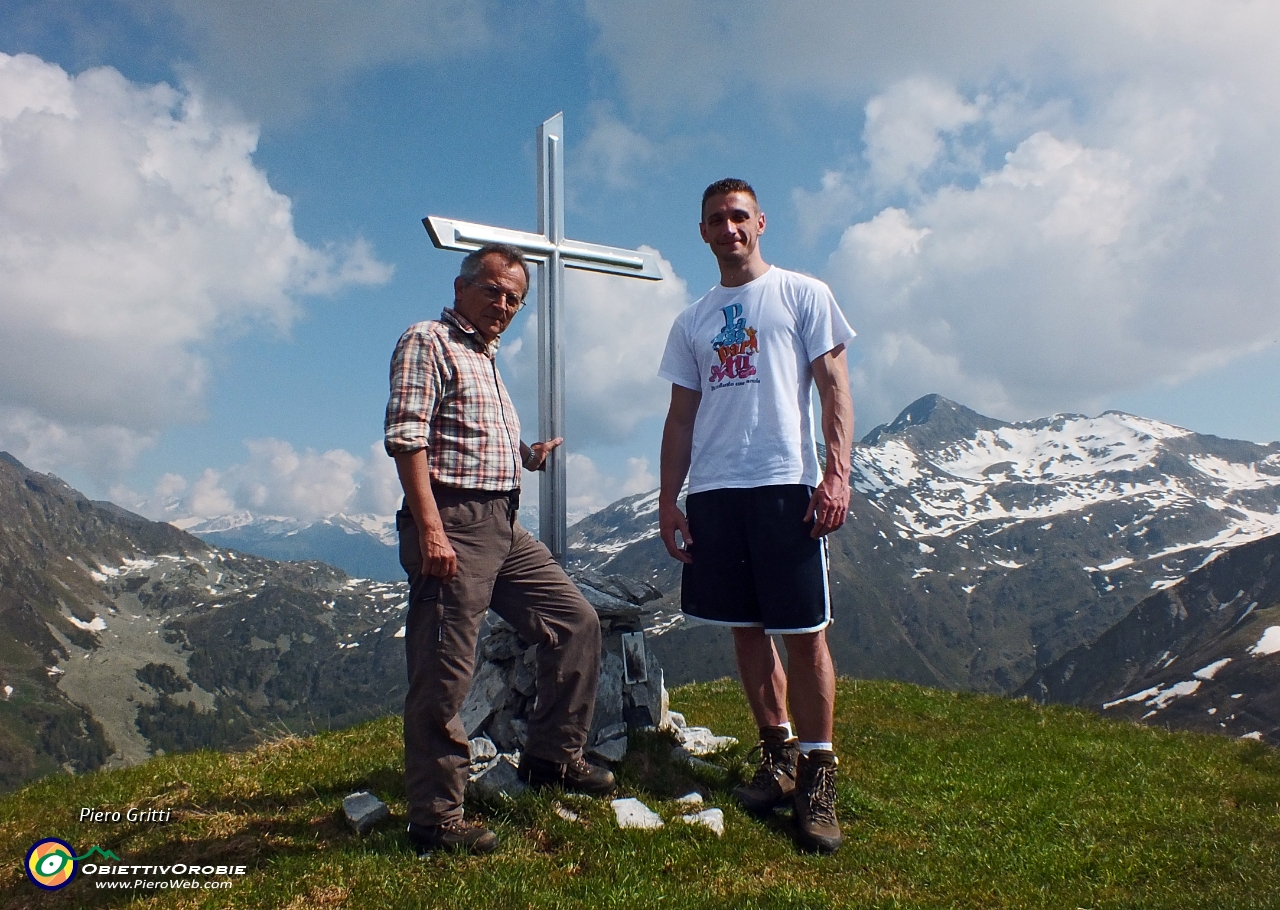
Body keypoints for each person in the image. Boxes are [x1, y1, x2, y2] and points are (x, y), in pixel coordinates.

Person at [385, 242, 614, 857]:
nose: (504, 304)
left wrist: (524, 457)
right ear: (461, 287)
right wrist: (431, 530)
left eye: (514, 297)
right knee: (444, 671)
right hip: (453, 520)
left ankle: (551, 759)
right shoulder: (427, 340)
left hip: (503, 524)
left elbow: (464, 436)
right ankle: (435, 816)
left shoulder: (484, 357)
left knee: (574, 622)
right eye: (493, 289)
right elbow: (408, 439)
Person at [657, 179, 855, 854]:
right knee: (745, 628)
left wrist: (837, 473)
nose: (729, 227)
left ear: (760, 222)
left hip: (783, 483)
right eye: (716, 218)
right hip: (715, 490)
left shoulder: (803, 294)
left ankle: (818, 775)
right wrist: (668, 498)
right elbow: (681, 416)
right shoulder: (693, 320)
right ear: (704, 231)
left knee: (802, 631)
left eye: (739, 216)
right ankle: (777, 755)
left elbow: (834, 386)